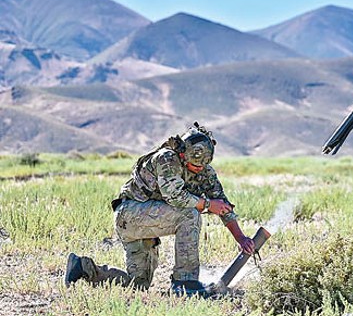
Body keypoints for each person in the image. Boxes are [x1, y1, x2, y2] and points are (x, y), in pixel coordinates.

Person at [64, 122, 255, 296]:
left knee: (137, 285)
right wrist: (207, 205)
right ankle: (185, 283)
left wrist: (241, 238)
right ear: (182, 154)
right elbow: (176, 197)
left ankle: (83, 267)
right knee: (190, 215)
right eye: (193, 165)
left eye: (202, 165)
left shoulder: (205, 171)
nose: (198, 169)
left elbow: (222, 204)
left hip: (147, 224)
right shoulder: (166, 159)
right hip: (130, 216)